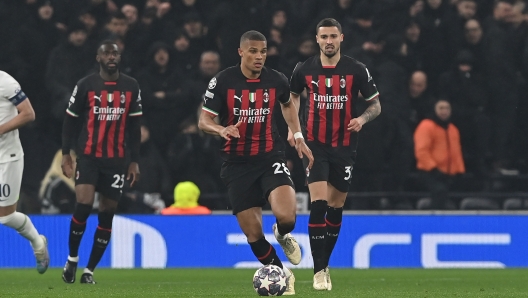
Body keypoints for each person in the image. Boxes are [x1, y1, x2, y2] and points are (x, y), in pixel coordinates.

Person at [198, 30, 314, 296]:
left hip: (270, 157)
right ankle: (282, 276)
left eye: (263, 51)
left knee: (287, 217)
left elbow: (288, 105)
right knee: (253, 235)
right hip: (236, 164)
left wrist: (297, 135)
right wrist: (222, 130)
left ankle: (283, 235)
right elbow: (204, 121)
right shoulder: (223, 81)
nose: (259, 56)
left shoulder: (276, 79)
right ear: (241, 52)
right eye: (253, 51)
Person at [289, 18, 381, 290]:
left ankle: (324, 264)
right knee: (318, 203)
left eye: (333, 36)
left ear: (341, 38)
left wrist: (362, 119)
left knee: (335, 207)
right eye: (323, 37)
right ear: (317, 40)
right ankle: (318, 271)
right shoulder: (304, 69)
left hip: (344, 146)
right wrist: (294, 129)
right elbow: (291, 97)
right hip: (313, 144)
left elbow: (375, 104)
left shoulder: (357, 70)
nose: (328, 41)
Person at [60, 40, 142, 284]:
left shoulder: (131, 86)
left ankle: (89, 271)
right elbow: (70, 121)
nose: (111, 56)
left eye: (115, 53)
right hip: (88, 157)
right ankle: (72, 259)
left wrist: (134, 161)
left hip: (117, 161)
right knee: (83, 207)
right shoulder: (85, 85)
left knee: (107, 214)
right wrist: (66, 154)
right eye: (106, 53)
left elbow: (135, 127)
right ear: (98, 58)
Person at [0, 71, 49, 274]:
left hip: (7, 157)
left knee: (5, 217)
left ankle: (38, 243)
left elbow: (28, 113)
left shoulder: (5, 82)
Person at [414, 99, 465, 210]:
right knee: (439, 192)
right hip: (430, 173)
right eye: (441, 108)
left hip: (448, 174)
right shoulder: (426, 126)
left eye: (447, 108)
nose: (444, 111)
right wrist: (433, 169)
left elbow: (457, 152)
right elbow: (422, 151)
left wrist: (460, 171)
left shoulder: (453, 129)